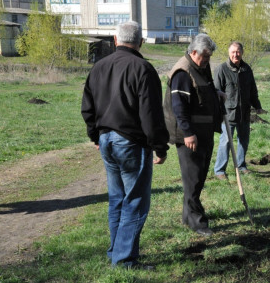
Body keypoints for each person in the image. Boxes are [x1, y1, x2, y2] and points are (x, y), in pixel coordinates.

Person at [81, 21, 169, 270]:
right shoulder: (143, 69)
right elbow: (151, 116)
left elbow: (87, 107)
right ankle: (124, 260)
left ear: (115, 39)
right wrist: (160, 147)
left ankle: (116, 252)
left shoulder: (98, 67)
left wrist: (96, 136)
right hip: (131, 143)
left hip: (107, 140)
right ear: (140, 42)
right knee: (134, 202)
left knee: (118, 199)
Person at [166, 34, 222, 236]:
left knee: (198, 177)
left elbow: (203, 90)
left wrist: (217, 95)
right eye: (204, 57)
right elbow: (179, 107)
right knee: (193, 179)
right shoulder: (183, 71)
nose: (207, 61)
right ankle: (197, 222)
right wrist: (188, 134)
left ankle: (187, 215)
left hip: (204, 132)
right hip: (190, 135)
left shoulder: (201, 67)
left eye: (209, 57)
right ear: (193, 52)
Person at [213, 41, 267, 180]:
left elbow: (252, 90)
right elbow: (216, 92)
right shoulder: (222, 69)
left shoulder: (247, 69)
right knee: (225, 142)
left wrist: (257, 106)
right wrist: (218, 111)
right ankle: (220, 170)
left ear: (242, 53)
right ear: (229, 53)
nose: (235, 54)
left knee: (244, 140)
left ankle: (241, 166)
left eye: (238, 52)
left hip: (244, 113)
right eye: (233, 52)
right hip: (228, 114)